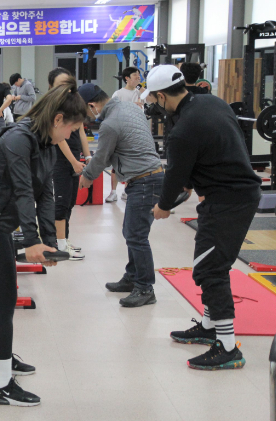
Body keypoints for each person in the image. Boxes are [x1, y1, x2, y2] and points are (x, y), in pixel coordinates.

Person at [0, 80, 87, 407]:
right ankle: (1, 386)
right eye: (73, 128)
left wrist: (48, 241)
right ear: (58, 119)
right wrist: (29, 241)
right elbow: (21, 190)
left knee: (3, 298)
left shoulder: (45, 141)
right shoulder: (19, 138)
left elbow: (45, 192)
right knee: (4, 303)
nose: (73, 135)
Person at [148, 65, 261, 370]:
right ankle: (210, 327)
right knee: (206, 260)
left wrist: (164, 205)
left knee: (211, 269)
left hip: (229, 200)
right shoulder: (213, 102)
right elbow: (216, 146)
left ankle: (226, 347)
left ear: (161, 95)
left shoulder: (184, 130)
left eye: (155, 100)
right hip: (230, 194)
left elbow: (174, 177)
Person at [78, 82, 164, 308]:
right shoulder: (131, 108)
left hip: (144, 180)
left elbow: (102, 157)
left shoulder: (110, 124)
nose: (87, 116)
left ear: (92, 105)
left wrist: (87, 176)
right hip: (149, 177)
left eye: (85, 111)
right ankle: (132, 277)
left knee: (136, 235)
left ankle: (145, 288)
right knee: (131, 232)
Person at [48, 67, 89, 260]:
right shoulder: (53, 107)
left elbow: (81, 131)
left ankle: (64, 239)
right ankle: (60, 246)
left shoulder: (74, 105)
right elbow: (60, 138)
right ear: (51, 87)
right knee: (62, 202)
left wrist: (87, 157)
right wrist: (73, 162)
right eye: (60, 85)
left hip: (74, 159)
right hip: (60, 159)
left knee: (71, 201)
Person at [106, 66, 145, 202]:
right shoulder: (118, 94)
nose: (138, 77)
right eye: (135, 75)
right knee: (117, 163)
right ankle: (113, 192)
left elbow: (147, 104)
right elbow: (113, 110)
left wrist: (142, 93)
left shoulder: (141, 93)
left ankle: (127, 191)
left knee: (132, 163)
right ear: (127, 78)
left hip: (136, 132)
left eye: (139, 75)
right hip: (121, 132)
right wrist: (132, 105)